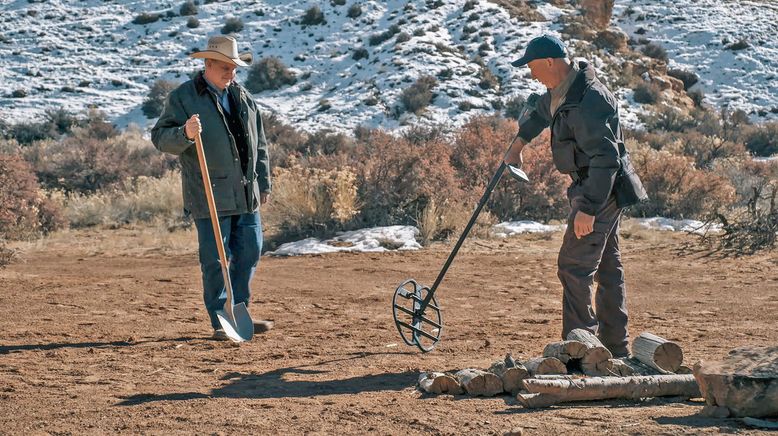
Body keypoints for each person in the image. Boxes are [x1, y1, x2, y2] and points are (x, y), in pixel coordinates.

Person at [505, 34, 647, 357]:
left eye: (532, 67)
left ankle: (580, 352)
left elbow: (606, 159)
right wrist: (517, 146)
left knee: (573, 265)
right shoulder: (561, 91)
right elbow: (541, 113)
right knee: (607, 267)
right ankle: (616, 349)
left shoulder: (589, 98)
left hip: (603, 189)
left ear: (551, 62)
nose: (531, 75)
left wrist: (588, 208)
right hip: (596, 186)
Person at [151, 35, 274, 341]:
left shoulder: (243, 96)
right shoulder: (183, 97)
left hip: (247, 193)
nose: (231, 73)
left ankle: (240, 310)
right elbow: (160, 138)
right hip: (209, 193)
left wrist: (264, 180)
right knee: (215, 260)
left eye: (234, 68)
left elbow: (259, 144)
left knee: (249, 252)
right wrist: (185, 133)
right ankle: (221, 320)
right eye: (224, 67)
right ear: (207, 64)